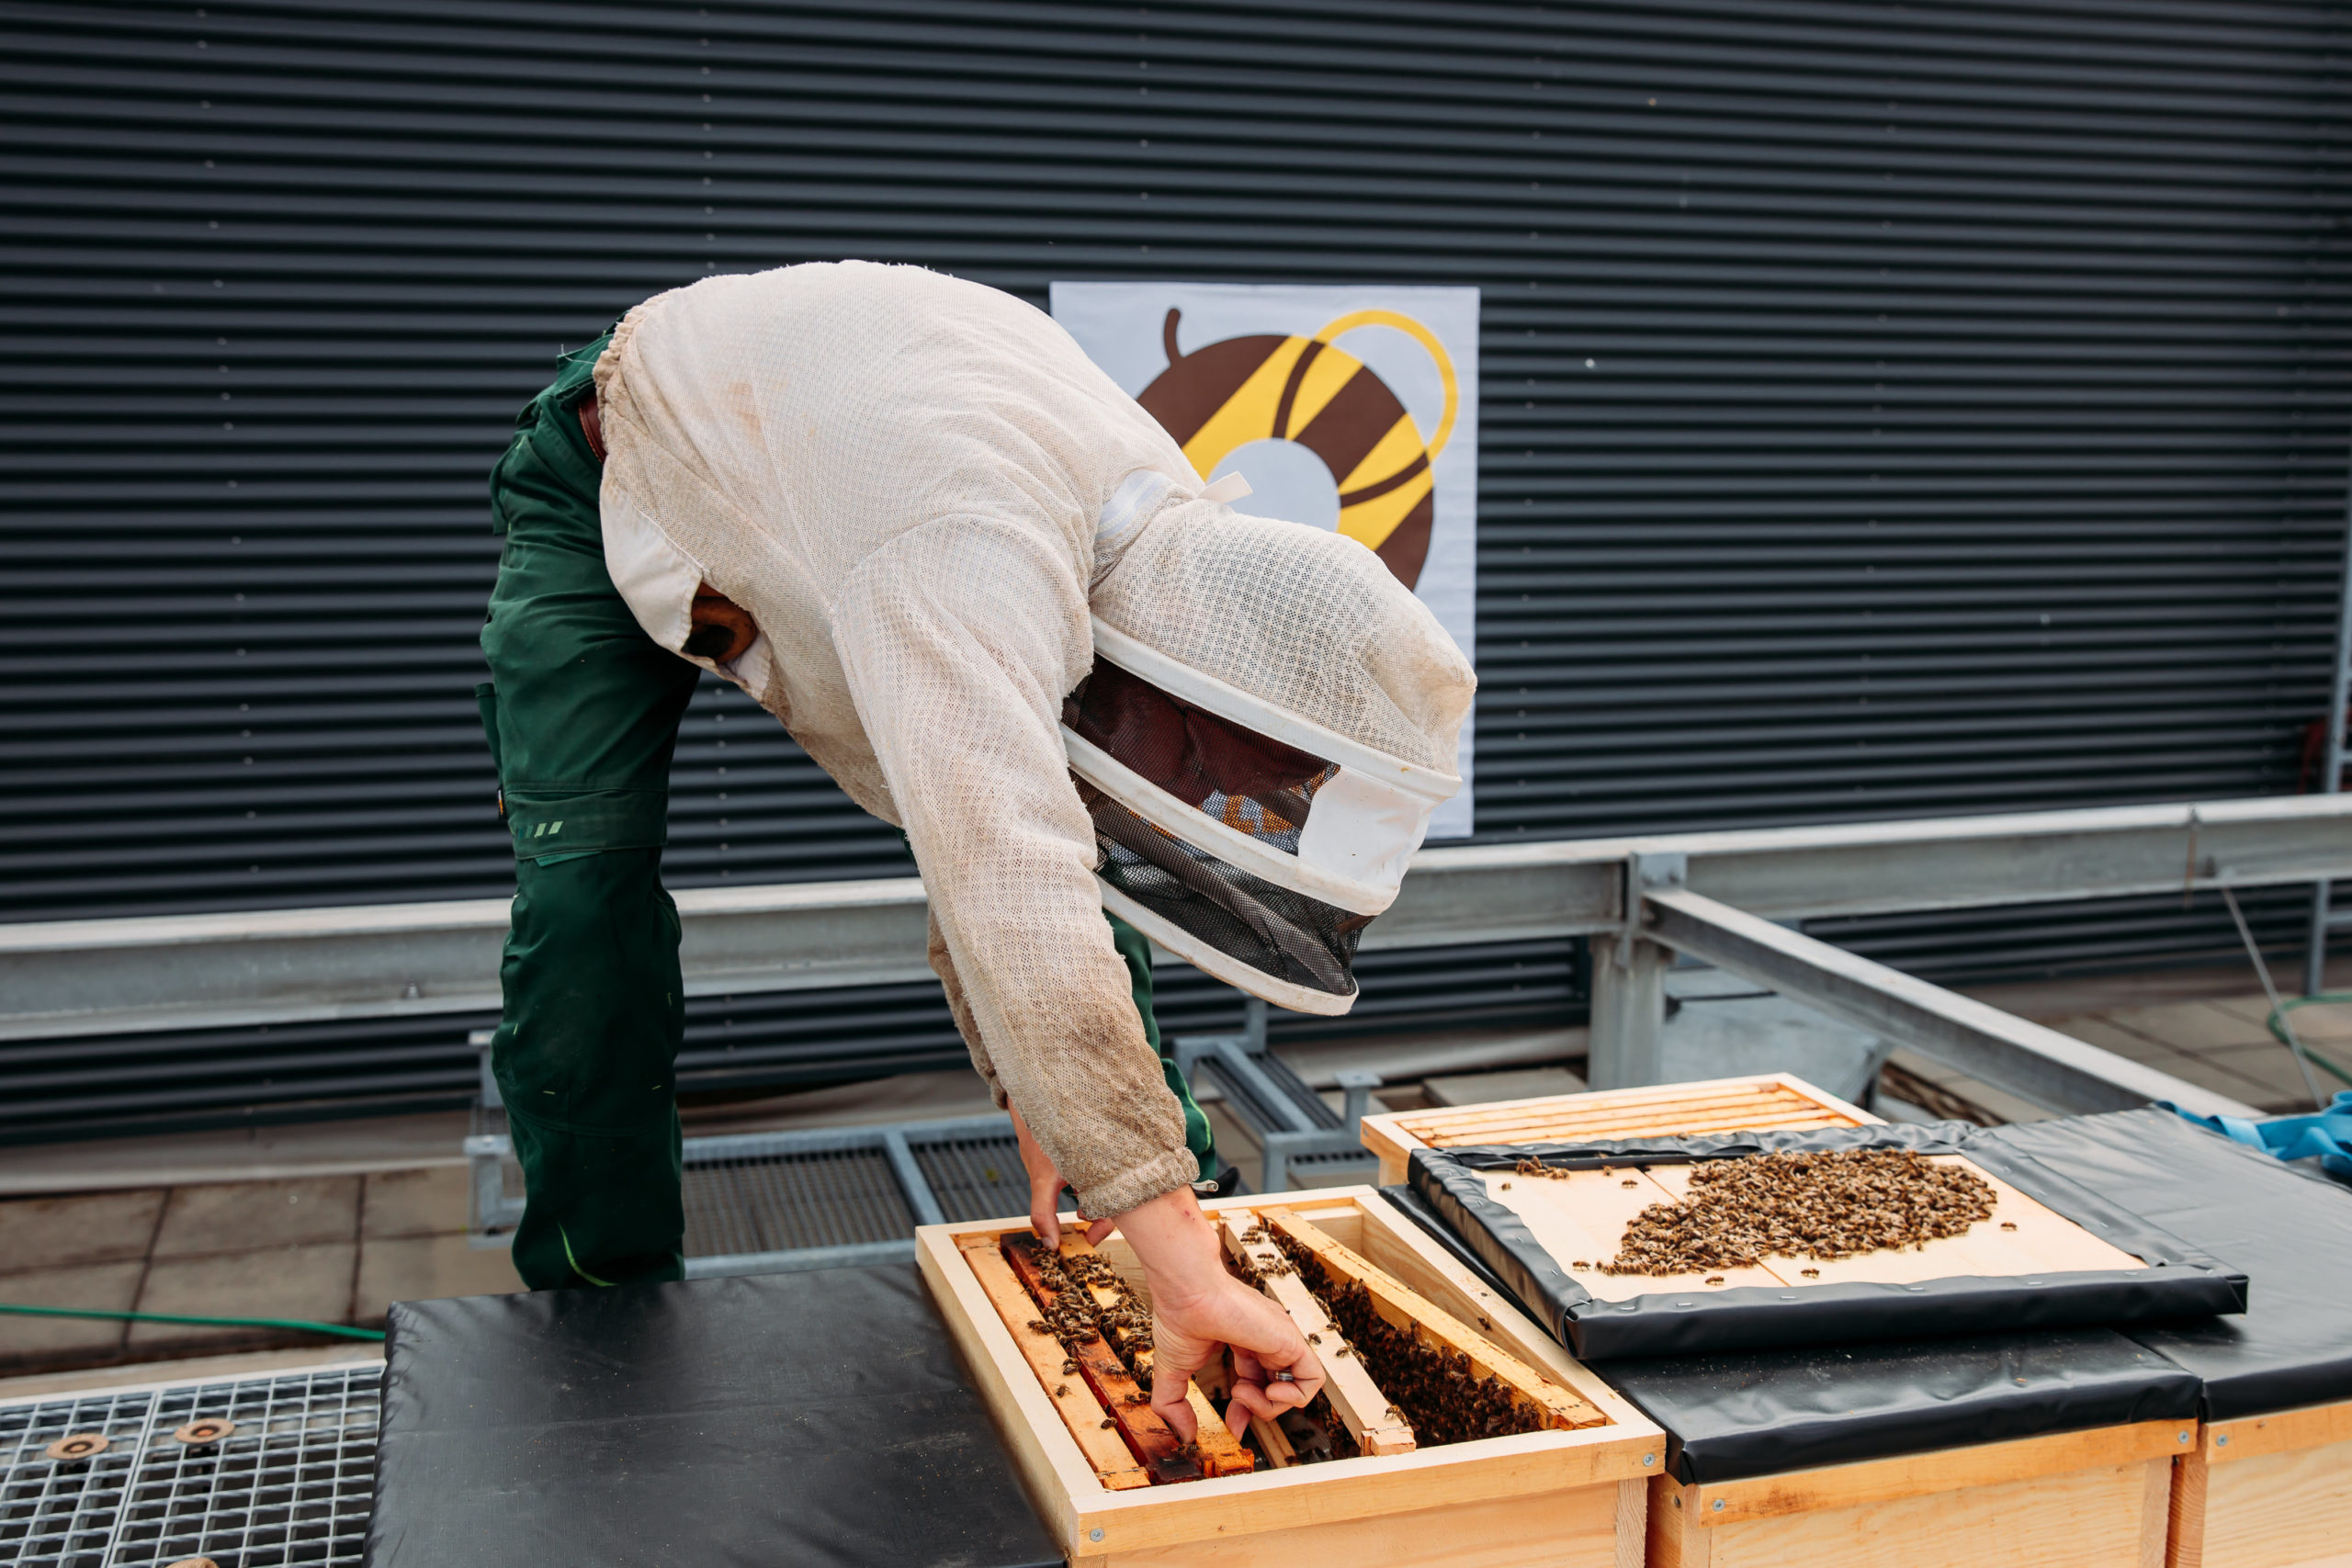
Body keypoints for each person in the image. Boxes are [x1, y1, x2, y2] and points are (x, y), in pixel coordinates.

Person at [477, 261, 1474, 1440]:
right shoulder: (968, 549)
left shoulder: (1152, 536)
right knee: (588, 904)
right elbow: (1002, 872)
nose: (1196, 796)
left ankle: (1169, 1221)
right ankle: (604, 1320)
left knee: (1058, 854)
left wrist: (1056, 1109)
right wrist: (1146, 1202)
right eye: (1209, 768)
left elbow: (1010, 827)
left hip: (841, 460)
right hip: (613, 462)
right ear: (1205, 688)